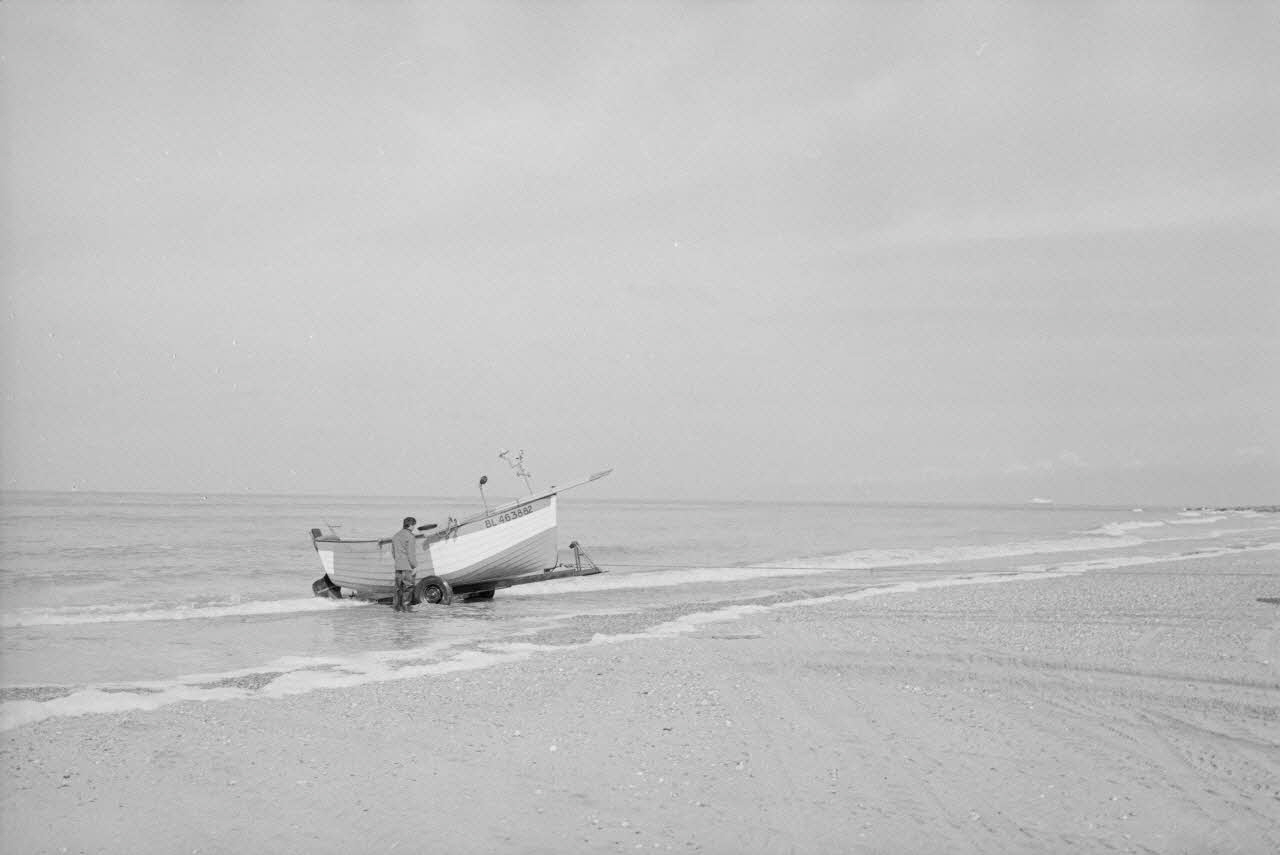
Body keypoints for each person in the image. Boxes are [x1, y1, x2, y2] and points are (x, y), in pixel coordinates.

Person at [391, 516, 418, 612]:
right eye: (414, 525)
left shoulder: (395, 536)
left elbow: (393, 553)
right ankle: (406, 609)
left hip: (398, 566)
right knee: (408, 587)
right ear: (411, 525)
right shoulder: (410, 536)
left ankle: (397, 609)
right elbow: (411, 554)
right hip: (407, 567)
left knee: (398, 588)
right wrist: (414, 566)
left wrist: (398, 561)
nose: (414, 527)